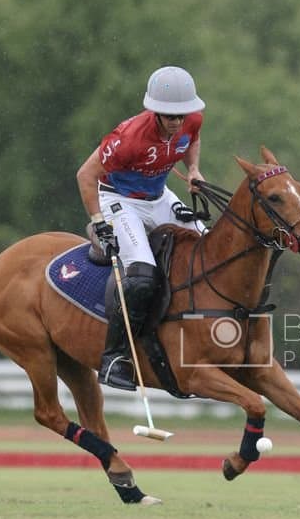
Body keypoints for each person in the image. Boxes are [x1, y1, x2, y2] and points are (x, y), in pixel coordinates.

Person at [76, 65, 208, 390]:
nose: (177, 121)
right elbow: (85, 175)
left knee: (208, 249)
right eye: (170, 116)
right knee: (142, 273)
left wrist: (193, 169)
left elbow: (192, 139)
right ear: (155, 111)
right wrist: (99, 222)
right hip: (119, 199)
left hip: (159, 196)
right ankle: (114, 357)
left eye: (181, 114)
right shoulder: (128, 138)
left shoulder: (192, 120)